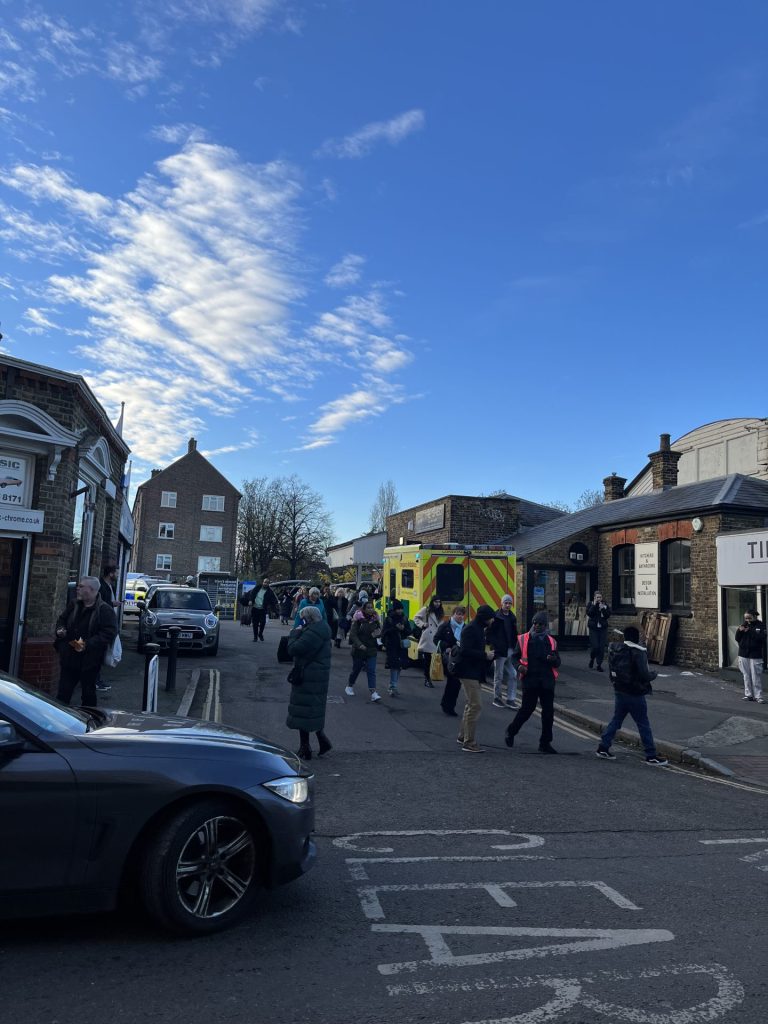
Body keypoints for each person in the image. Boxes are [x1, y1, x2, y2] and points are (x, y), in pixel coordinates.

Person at [596, 625, 668, 765]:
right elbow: (644, 674)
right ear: (636, 637)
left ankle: (603, 747)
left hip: (619, 690)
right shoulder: (637, 652)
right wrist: (654, 674)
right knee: (643, 724)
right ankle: (651, 755)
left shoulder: (615, 649)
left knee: (616, 720)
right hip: (634, 693)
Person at [55, 576, 118, 707]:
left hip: (90, 661)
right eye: (78, 586)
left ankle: (90, 721)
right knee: (62, 694)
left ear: (92, 589)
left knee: (88, 695)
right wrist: (60, 630)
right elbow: (62, 619)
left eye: (81, 586)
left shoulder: (104, 609)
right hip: (69, 657)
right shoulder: (74, 604)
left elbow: (109, 633)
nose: (77, 588)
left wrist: (87, 644)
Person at [505, 611, 561, 754]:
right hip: (530, 680)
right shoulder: (524, 639)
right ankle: (511, 732)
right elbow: (514, 657)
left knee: (548, 713)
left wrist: (553, 659)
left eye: (540, 624)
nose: (537, 626)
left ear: (545, 626)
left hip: (547, 682)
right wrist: (519, 667)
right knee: (527, 710)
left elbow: (558, 662)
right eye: (535, 623)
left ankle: (545, 743)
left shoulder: (551, 641)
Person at [286, 605, 333, 760]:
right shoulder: (322, 628)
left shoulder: (313, 632)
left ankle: (305, 748)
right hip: (316, 675)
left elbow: (294, 649)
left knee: (304, 712)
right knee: (312, 711)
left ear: (309, 618)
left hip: (309, 675)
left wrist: (294, 633)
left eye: (303, 618)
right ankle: (320, 742)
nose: (302, 620)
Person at [453, 604, 496, 752]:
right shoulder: (471, 629)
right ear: (484, 618)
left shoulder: (478, 628)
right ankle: (469, 742)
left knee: (470, 704)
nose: (492, 621)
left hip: (474, 672)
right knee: (476, 705)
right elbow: (465, 651)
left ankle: (462, 736)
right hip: (468, 672)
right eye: (491, 618)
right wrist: (485, 655)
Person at [346, 601, 382, 702]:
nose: (371, 610)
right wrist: (359, 644)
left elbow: (379, 631)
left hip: (371, 649)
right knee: (356, 669)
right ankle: (349, 685)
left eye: (372, 608)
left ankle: (373, 692)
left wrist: (378, 634)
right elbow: (353, 634)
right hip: (359, 649)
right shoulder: (358, 619)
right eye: (368, 608)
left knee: (371, 670)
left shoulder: (375, 619)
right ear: (364, 609)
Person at [433, 604, 466, 716]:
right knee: (453, 682)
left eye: (462, 615)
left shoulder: (465, 627)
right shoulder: (446, 626)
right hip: (448, 658)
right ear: (453, 614)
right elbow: (436, 639)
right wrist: (445, 646)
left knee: (456, 684)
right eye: (458, 614)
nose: (460, 617)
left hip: (460, 659)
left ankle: (448, 705)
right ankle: (448, 706)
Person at [487, 595, 519, 709]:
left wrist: (516, 648)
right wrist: (493, 647)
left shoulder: (512, 617)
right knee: (498, 675)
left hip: (510, 650)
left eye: (510, 603)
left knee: (513, 674)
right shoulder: (496, 616)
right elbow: (490, 633)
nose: (508, 605)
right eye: (506, 603)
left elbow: (514, 633)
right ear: (501, 603)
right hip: (500, 650)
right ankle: (497, 698)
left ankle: (511, 699)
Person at [96, 564, 122, 694]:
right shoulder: (102, 587)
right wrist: (113, 603)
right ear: (110, 574)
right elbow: (101, 604)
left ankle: (97, 679)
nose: (117, 575)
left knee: (102, 654)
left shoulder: (110, 586)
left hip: (107, 624)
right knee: (98, 654)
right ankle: (95, 681)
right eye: (116, 573)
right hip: (102, 625)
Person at [381, 600, 412, 696]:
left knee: (399, 666)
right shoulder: (389, 619)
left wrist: (403, 629)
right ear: (394, 609)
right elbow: (385, 632)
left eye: (401, 609)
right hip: (392, 645)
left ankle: (393, 685)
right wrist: (395, 628)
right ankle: (393, 686)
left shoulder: (404, 619)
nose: (400, 611)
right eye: (398, 609)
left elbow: (409, 631)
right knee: (394, 666)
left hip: (402, 646)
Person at [735, 610, 765, 703]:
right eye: (746, 618)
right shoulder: (743, 625)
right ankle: (748, 695)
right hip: (743, 653)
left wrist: (750, 631)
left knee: (756, 675)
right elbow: (737, 638)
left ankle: (758, 696)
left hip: (755, 653)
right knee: (746, 675)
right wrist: (740, 631)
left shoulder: (761, 625)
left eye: (749, 617)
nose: (747, 620)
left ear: (754, 616)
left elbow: (761, 638)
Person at [414, 596, 445, 688]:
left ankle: (433, 676)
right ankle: (427, 679)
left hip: (437, 637)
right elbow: (416, 618)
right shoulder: (426, 610)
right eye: (436, 602)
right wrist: (423, 624)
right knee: (428, 660)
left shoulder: (440, 611)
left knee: (436, 659)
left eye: (439, 602)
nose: (438, 604)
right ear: (432, 602)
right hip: (428, 637)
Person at [586, 591, 611, 671]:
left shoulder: (604, 605)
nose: (599, 599)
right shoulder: (591, 604)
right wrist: (594, 605)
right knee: (595, 646)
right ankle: (592, 658)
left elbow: (608, 615)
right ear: (594, 598)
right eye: (597, 597)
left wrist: (602, 608)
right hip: (593, 628)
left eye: (600, 597)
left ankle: (599, 664)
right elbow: (589, 614)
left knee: (601, 647)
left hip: (602, 628)